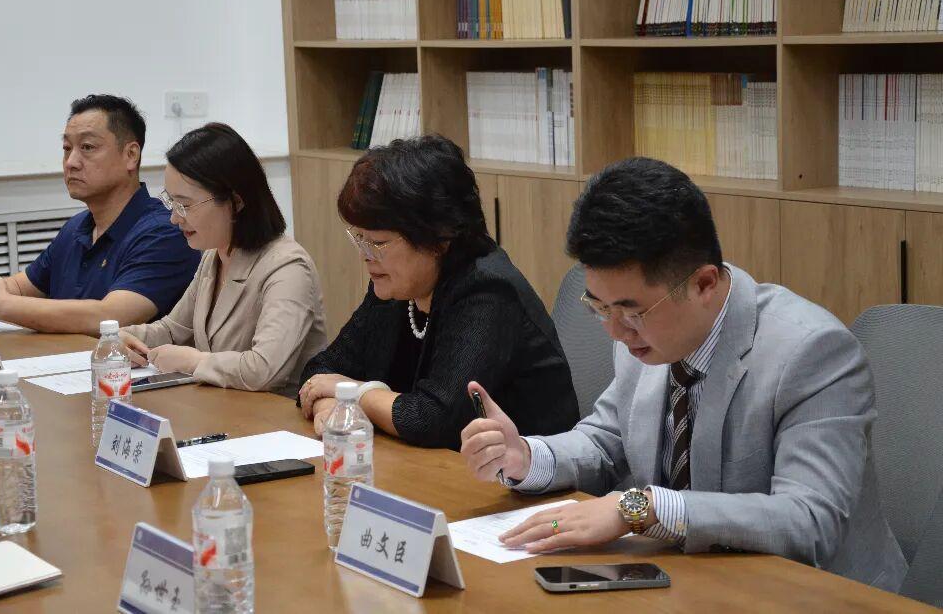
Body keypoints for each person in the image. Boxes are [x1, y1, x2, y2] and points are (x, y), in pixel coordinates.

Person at [460, 157, 907, 590]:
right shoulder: (644, 338)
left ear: (704, 284)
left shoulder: (812, 352)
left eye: (631, 312)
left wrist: (642, 509)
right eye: (600, 307)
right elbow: (605, 441)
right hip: (692, 581)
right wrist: (526, 457)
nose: (615, 331)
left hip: (814, 593)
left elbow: (809, 520)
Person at [297, 135, 579, 450]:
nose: (365, 255)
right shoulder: (394, 288)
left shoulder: (487, 291)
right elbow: (321, 370)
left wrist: (355, 394)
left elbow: (433, 419)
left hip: (517, 474)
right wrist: (330, 404)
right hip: (425, 465)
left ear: (438, 238)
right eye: (359, 238)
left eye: (378, 242)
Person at [0, 94, 200, 335]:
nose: (71, 162)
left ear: (131, 155)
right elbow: (20, 287)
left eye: (87, 147)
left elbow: (110, 318)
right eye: (67, 148)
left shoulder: (164, 231)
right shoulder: (77, 227)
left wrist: (1, 304)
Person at [120, 123, 327, 398]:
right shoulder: (214, 255)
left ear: (236, 202)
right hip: (224, 408)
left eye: (185, 205)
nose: (174, 218)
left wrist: (195, 361)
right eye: (172, 203)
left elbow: (265, 369)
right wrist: (120, 338)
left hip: (275, 417)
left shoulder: (287, 267)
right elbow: (172, 330)